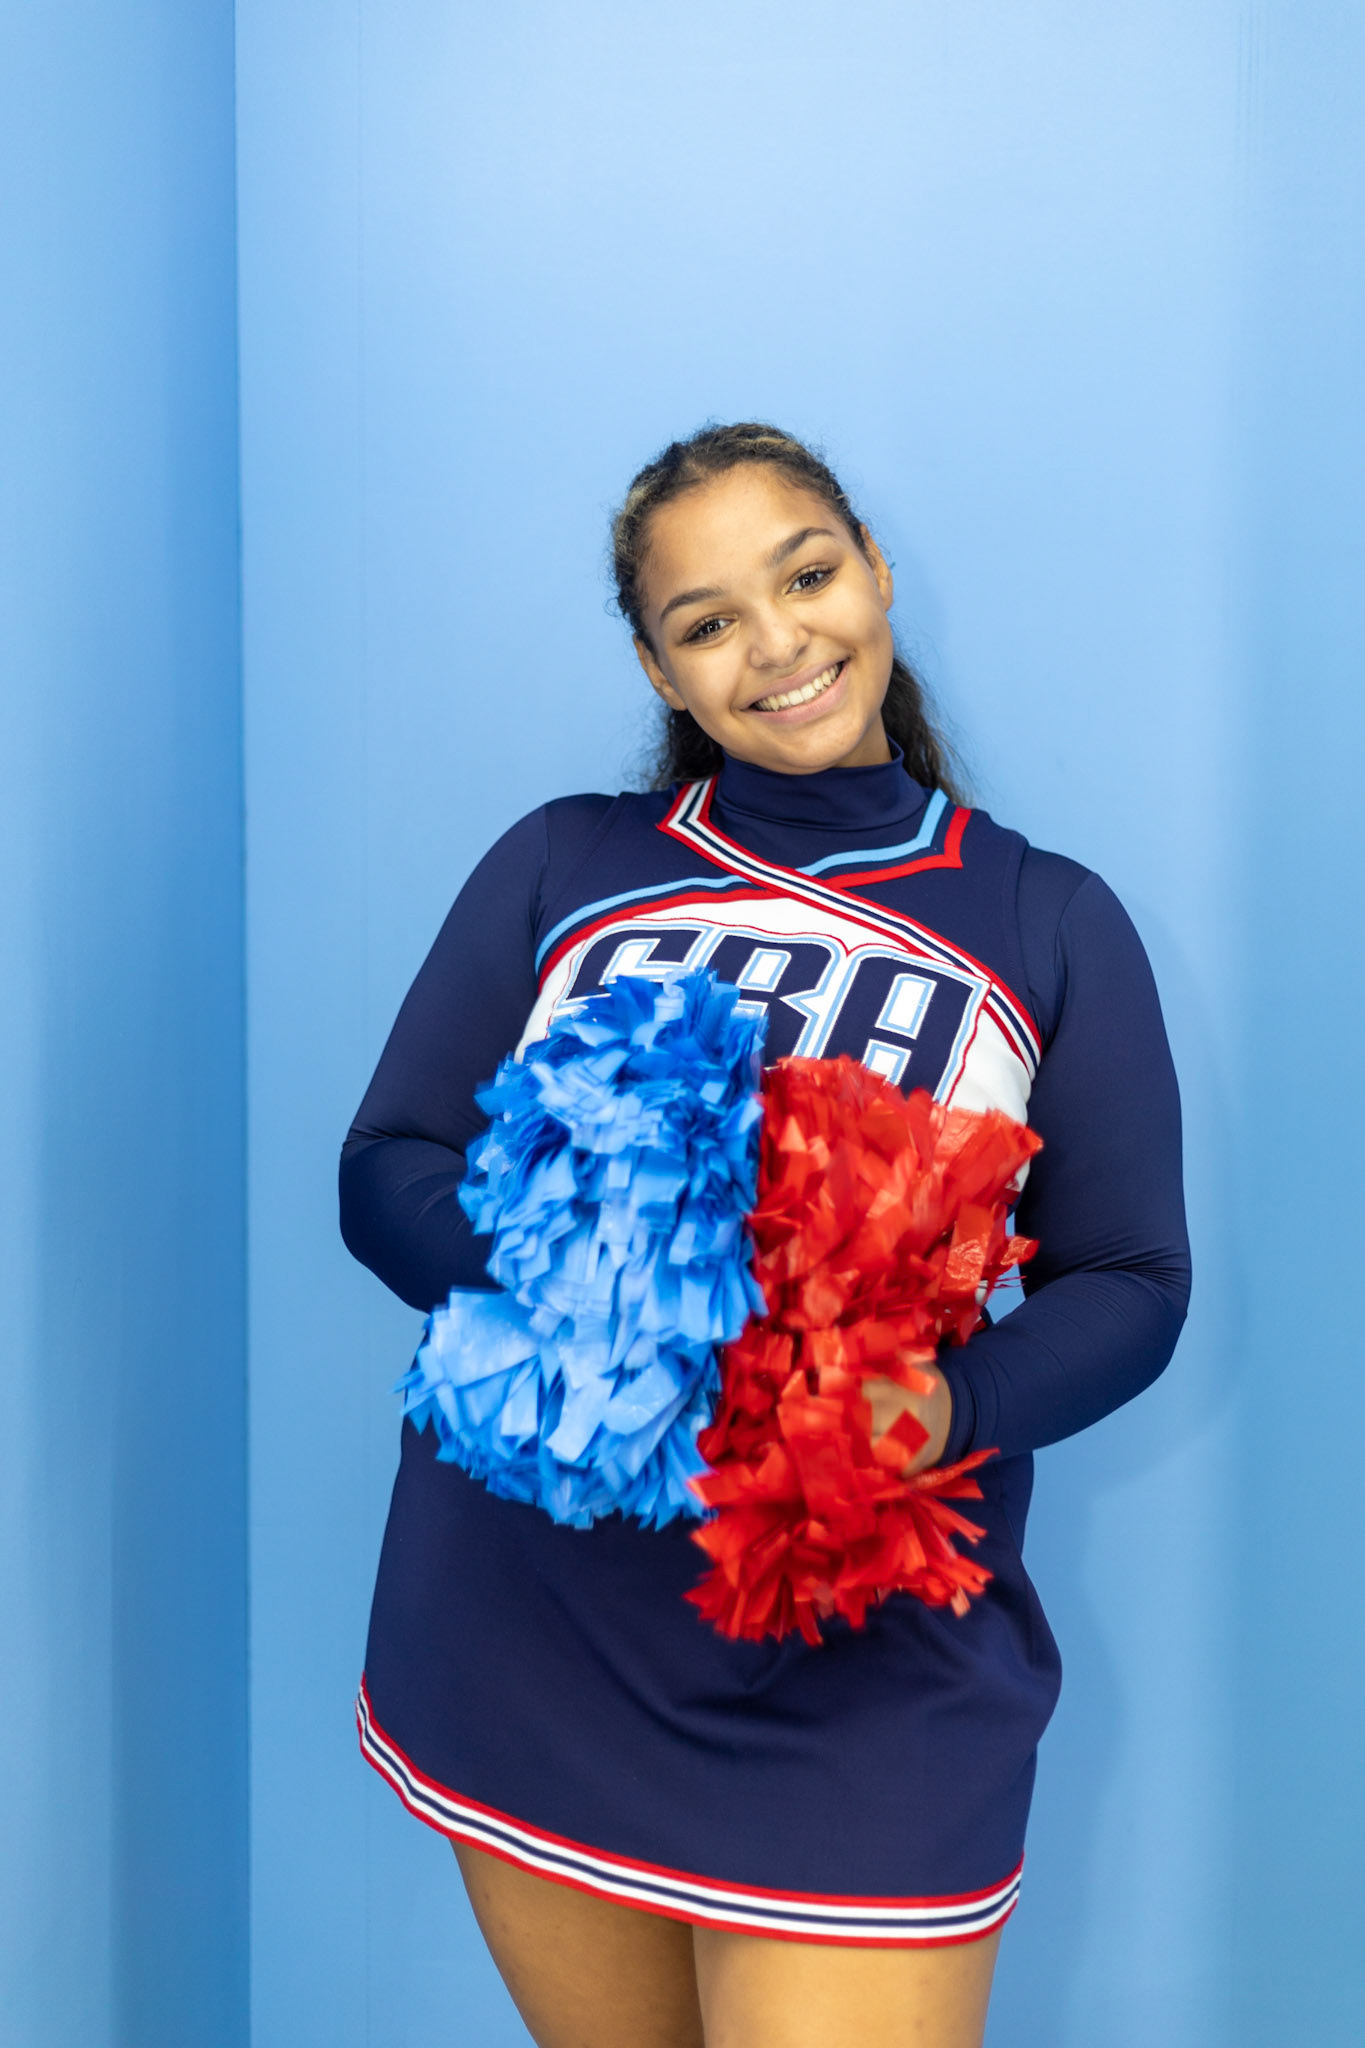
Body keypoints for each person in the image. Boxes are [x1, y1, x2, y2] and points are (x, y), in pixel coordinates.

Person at [339, 422, 1191, 2048]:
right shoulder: (567, 865)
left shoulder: (1043, 919)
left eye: (803, 575)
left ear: (873, 574)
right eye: (707, 618)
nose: (778, 641)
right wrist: (593, 1301)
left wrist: (940, 1410)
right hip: (536, 1619)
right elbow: (389, 1158)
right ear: (662, 672)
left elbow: (1133, 1281)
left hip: (861, 1650)